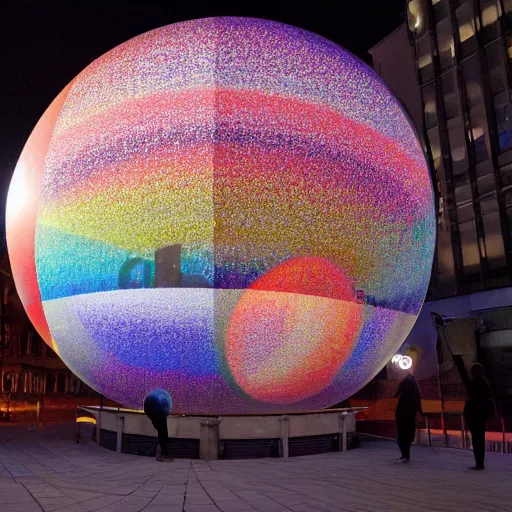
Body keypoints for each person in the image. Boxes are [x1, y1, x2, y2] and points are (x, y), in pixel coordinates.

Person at [463, 363, 494, 471]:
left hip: (476, 415)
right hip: (481, 415)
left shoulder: (477, 383)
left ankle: (479, 463)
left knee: (477, 439)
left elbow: (473, 396)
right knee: (479, 438)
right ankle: (480, 462)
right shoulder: (484, 382)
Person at [394, 373, 423, 463]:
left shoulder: (403, 389)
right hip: (409, 415)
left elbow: (395, 395)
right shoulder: (414, 395)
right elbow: (418, 401)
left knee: (401, 435)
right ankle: (406, 454)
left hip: (401, 414)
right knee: (408, 435)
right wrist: (420, 412)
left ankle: (404, 454)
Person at [143, 388, 173, 462]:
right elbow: (167, 408)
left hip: (149, 406)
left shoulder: (157, 395)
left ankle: (161, 454)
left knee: (161, 432)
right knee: (163, 433)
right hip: (157, 407)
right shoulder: (164, 399)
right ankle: (163, 455)